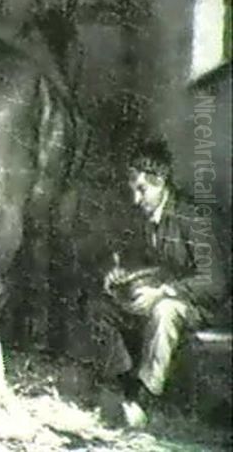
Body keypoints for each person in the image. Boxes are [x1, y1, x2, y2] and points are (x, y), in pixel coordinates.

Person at [94, 139, 229, 427]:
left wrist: (163, 291)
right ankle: (124, 382)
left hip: (201, 308)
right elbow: (146, 262)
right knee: (103, 305)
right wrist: (122, 274)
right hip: (165, 297)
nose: (136, 198)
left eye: (142, 190)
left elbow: (216, 283)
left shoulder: (193, 217)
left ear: (161, 182)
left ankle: (144, 401)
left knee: (164, 310)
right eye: (133, 189)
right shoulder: (145, 215)